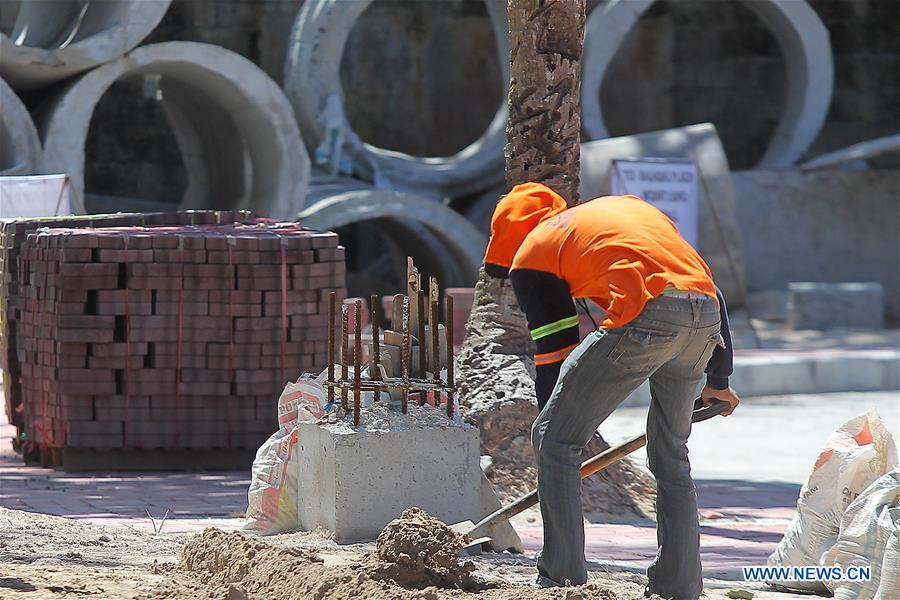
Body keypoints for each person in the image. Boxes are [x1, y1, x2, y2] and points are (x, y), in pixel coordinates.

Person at [483, 182, 741, 599]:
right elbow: (709, 288)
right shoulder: (623, 211)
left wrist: (556, 421)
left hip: (648, 315)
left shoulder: (533, 250)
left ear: (511, 238)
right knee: (671, 454)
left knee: (553, 439)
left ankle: (560, 580)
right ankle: (679, 587)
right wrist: (719, 380)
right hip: (704, 319)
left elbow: (555, 352)